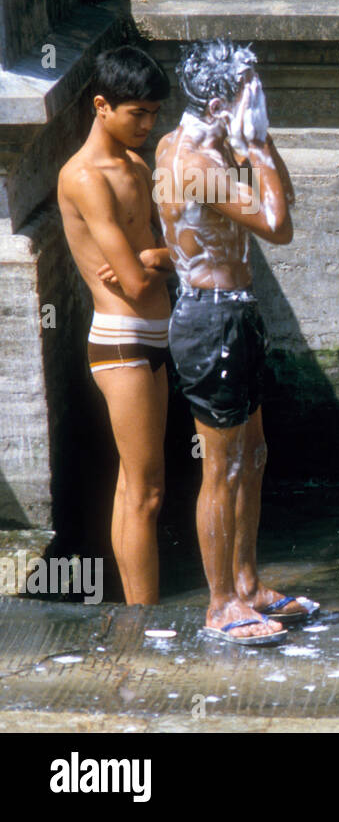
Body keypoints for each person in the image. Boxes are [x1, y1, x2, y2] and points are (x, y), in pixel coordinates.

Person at [153, 38, 315, 644]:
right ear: (219, 101)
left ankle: (247, 585)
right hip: (209, 321)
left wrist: (258, 141)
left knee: (255, 454)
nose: (259, 98)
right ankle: (220, 604)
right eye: (251, 92)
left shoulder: (205, 146)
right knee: (220, 468)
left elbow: (284, 197)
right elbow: (278, 227)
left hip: (234, 316)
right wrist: (250, 144)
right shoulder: (194, 164)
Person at [56, 46, 172, 604]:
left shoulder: (139, 166)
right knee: (145, 493)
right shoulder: (82, 177)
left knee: (140, 486)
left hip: (156, 340)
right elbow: (134, 281)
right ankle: (142, 620)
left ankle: (138, 618)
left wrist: (156, 257)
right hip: (120, 341)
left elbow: (164, 256)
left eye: (154, 114)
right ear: (102, 106)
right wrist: (151, 262)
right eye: (138, 114)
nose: (148, 126)